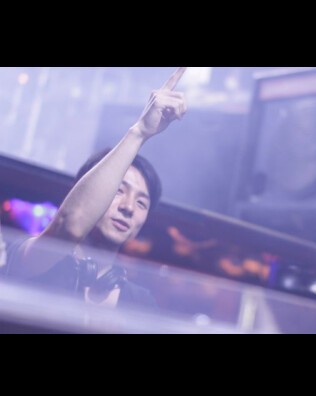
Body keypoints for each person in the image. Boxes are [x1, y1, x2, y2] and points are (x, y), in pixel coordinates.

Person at [6, 67, 188, 310]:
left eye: (141, 202)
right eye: (118, 191)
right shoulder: (35, 259)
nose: (128, 208)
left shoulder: (141, 303)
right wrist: (139, 133)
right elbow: (71, 225)